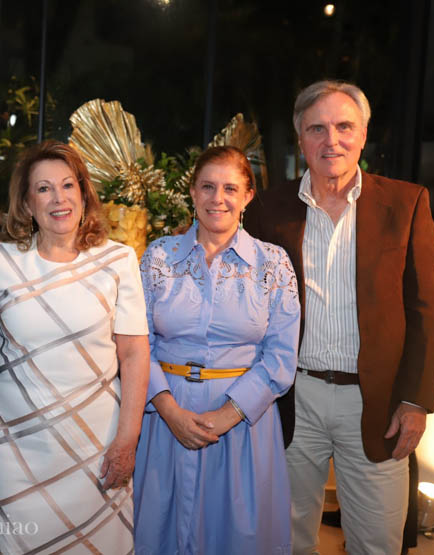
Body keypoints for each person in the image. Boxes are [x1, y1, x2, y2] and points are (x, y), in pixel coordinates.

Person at [244, 80, 434, 555]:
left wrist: (416, 402)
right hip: (292, 398)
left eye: (343, 127)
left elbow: (426, 314)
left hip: (376, 404)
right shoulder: (267, 210)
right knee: (283, 540)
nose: (331, 140)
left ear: (363, 134)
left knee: (377, 543)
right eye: (317, 128)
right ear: (300, 138)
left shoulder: (406, 203)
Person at [0, 140, 150, 554]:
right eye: (44, 188)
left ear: (84, 194)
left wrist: (127, 441)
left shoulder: (118, 260)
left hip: (96, 450)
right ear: (26, 203)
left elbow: (134, 355)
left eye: (68, 185)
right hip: (14, 450)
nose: (59, 198)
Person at [134, 145, 301, 554]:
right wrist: (171, 412)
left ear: (247, 196)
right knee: (160, 532)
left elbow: (281, 358)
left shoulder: (274, 264)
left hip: (243, 427)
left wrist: (225, 417)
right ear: (192, 192)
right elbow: (138, 345)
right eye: (207, 186)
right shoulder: (158, 257)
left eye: (230, 188)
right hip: (165, 420)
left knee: (236, 537)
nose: (217, 198)